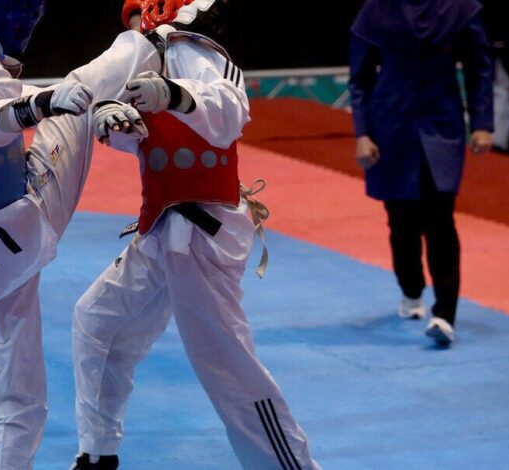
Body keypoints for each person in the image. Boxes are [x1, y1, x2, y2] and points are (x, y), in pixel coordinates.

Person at [0, 1, 163, 468]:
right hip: (17, 224)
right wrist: (42, 104)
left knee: (7, 362)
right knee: (79, 97)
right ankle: (150, 38)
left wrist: (40, 96)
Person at [70, 1, 321, 468]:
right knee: (98, 320)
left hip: (204, 230)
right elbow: (144, 133)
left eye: (136, 29)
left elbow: (229, 113)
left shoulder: (194, 51)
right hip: (161, 226)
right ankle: (97, 453)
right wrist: (112, 120)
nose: (131, 42)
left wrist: (171, 93)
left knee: (226, 365)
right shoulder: (145, 66)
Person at [348, 0, 494, 345]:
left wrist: (482, 123)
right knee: (401, 221)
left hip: (441, 124)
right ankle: (411, 290)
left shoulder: (458, 7)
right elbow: (360, 79)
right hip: (391, 126)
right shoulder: (376, 10)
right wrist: (362, 134)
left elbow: (480, 66)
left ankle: (445, 314)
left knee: (440, 219)